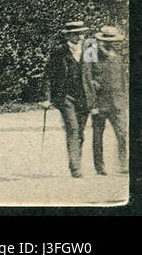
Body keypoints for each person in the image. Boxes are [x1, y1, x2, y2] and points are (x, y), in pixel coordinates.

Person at [41, 20, 96, 178]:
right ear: (68, 35)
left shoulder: (90, 48)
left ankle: (76, 161)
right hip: (66, 97)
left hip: (85, 96)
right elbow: (48, 76)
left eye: (81, 33)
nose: (79, 37)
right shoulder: (59, 51)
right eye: (76, 34)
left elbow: (96, 71)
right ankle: (76, 168)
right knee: (72, 129)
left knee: (80, 132)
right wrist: (46, 97)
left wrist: (96, 88)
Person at [89, 26, 127, 176]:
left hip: (118, 102)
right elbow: (88, 79)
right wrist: (92, 102)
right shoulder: (92, 55)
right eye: (107, 41)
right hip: (100, 102)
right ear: (100, 41)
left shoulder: (118, 56)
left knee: (122, 133)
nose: (111, 44)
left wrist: (124, 98)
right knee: (98, 135)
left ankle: (123, 163)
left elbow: (123, 79)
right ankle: (100, 166)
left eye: (113, 41)